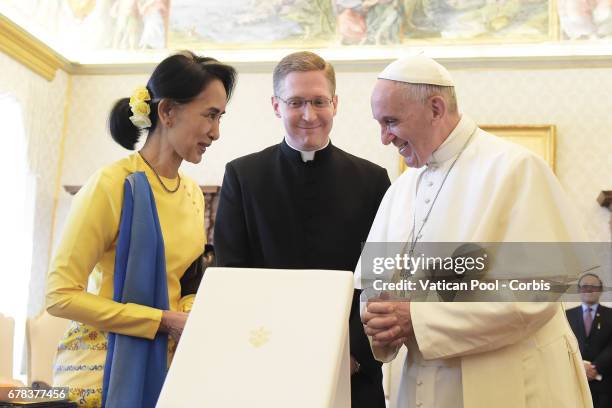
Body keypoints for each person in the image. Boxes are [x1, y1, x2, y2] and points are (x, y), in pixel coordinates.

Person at [356, 55, 593, 408]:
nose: (384, 137)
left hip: (512, 383)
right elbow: (374, 288)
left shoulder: (515, 169)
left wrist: (417, 317)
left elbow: (538, 290)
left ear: (436, 108)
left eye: (391, 122)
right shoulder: (401, 189)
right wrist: (379, 317)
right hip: (422, 383)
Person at [45, 51, 236, 406]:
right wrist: (162, 320)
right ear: (167, 112)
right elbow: (59, 295)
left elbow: (185, 279)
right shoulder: (112, 184)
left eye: (220, 117)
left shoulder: (192, 193)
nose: (216, 132)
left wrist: (192, 315)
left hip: (167, 373)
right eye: (209, 115)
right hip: (100, 374)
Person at [214, 51, 389, 407]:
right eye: (295, 102)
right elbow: (232, 273)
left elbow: (379, 279)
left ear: (335, 104)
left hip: (351, 366)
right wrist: (269, 349)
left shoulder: (372, 180)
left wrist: (353, 353)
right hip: (266, 362)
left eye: (319, 101)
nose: (309, 115)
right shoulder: (243, 176)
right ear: (276, 106)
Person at [567, 273, 612, 408]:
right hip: (574, 382)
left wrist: (595, 367)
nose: (589, 289)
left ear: (601, 290)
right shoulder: (567, 315)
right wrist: (581, 366)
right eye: (585, 286)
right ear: (578, 290)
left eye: (594, 286)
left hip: (605, 384)